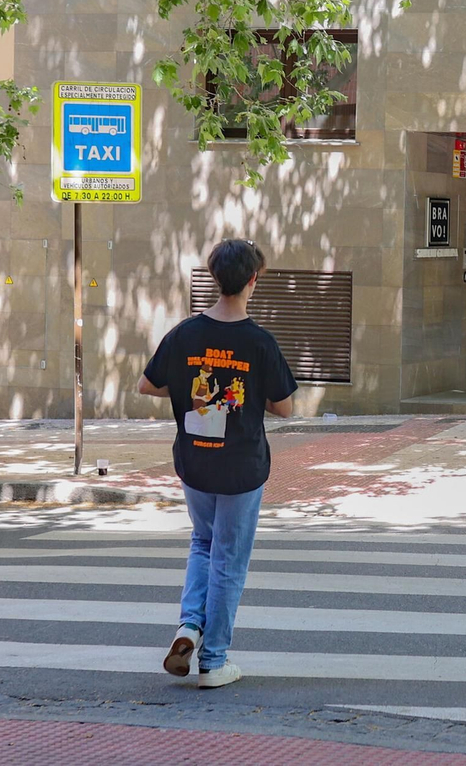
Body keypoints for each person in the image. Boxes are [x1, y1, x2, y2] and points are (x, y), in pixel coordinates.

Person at [138, 239, 297, 689]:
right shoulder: (260, 342)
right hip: (242, 467)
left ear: (214, 278)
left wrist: (192, 388)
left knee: (203, 544)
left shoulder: (184, 334)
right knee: (229, 558)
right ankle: (214, 660)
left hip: (195, 462)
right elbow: (284, 408)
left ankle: (189, 626)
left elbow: (147, 385)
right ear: (253, 280)